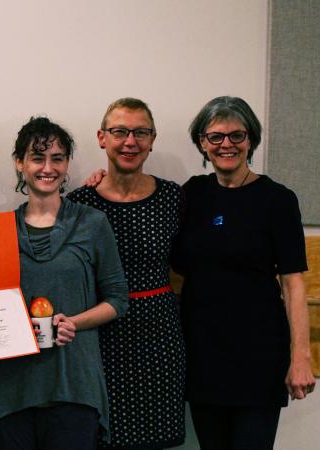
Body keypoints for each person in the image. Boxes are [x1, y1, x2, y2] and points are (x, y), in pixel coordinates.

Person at [0, 116, 129, 450]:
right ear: (20, 163)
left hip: (73, 383)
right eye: (37, 157)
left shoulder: (92, 223)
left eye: (57, 158)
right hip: (10, 387)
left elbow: (118, 299)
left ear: (67, 163)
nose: (48, 167)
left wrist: (75, 321)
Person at [171, 96, 316, 450]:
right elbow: (139, 196)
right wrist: (100, 177)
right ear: (202, 143)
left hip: (259, 354)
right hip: (203, 351)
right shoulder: (190, 195)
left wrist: (301, 358)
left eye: (237, 136)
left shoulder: (278, 200)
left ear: (251, 140)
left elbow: (293, 283)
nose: (227, 145)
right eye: (216, 137)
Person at [67, 98, 185, 449]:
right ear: (102, 138)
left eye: (140, 132)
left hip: (159, 338)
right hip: (100, 338)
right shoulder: (79, 204)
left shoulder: (174, 197)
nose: (130, 141)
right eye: (120, 131)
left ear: (152, 139)